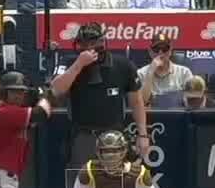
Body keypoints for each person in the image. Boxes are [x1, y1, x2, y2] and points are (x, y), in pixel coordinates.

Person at [51, 21, 151, 174]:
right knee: (81, 182)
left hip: (114, 136)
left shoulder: (123, 65)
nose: (90, 48)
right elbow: (56, 90)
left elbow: (136, 102)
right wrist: (79, 65)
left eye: (94, 43)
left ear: (103, 42)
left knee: (116, 184)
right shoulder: (69, 63)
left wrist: (142, 134)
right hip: (83, 136)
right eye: (85, 44)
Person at [138, 33, 195, 104]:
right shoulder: (141, 73)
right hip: (151, 114)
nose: (160, 52)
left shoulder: (184, 72)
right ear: (150, 51)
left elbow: (192, 102)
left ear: (170, 50)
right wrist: (150, 72)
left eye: (164, 49)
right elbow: (142, 101)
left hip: (178, 113)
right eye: (156, 49)